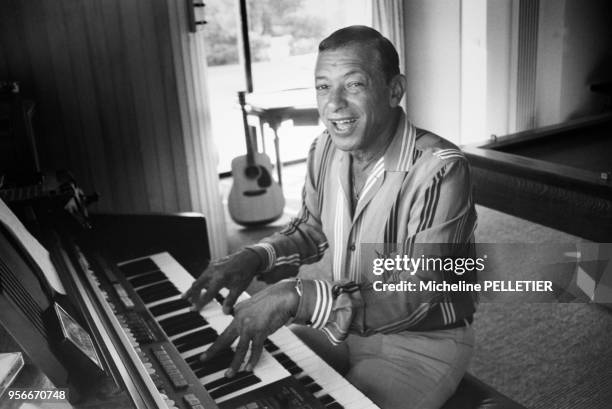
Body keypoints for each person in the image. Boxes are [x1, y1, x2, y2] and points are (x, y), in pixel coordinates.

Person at [183, 25, 478, 409]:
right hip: (332, 325)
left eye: (353, 84)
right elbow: (311, 230)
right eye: (323, 86)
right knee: (244, 386)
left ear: (394, 90)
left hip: (417, 342)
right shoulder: (323, 148)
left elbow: (419, 292)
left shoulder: (441, 170)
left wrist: (299, 295)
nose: (333, 104)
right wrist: (256, 255)